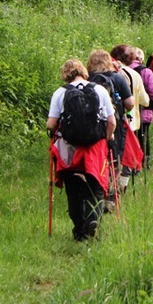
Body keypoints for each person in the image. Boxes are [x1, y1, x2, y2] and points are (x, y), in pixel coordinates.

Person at [47, 59, 116, 241]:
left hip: (69, 148)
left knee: (74, 188)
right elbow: (112, 122)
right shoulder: (100, 90)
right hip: (95, 147)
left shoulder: (61, 93)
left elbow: (51, 124)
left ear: (65, 75)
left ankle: (79, 229)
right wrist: (107, 138)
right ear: (84, 72)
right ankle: (92, 219)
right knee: (95, 186)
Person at [87, 49, 133, 205]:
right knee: (114, 158)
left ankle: (95, 193)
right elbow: (130, 103)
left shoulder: (87, 79)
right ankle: (111, 198)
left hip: (92, 126)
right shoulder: (117, 78)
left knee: (97, 158)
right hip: (114, 124)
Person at [130, 48, 153, 168]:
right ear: (141, 59)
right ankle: (143, 162)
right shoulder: (145, 72)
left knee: (132, 138)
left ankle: (132, 163)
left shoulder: (122, 71)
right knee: (143, 136)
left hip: (127, 112)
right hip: (143, 110)